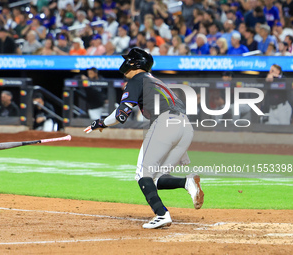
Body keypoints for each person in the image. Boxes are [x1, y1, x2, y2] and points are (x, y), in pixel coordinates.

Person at [83, 47, 204, 229]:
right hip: (185, 126)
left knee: (142, 174)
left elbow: (121, 115)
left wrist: (101, 123)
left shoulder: (137, 79)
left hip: (164, 123)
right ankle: (187, 182)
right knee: (156, 177)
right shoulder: (158, 82)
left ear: (135, 63)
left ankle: (162, 214)